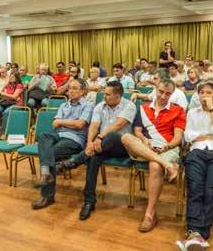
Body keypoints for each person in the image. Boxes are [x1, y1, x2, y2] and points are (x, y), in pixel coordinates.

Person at [56, 81, 137, 220]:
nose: (103, 96)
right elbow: (93, 126)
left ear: (117, 96)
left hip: (122, 147)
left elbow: (118, 125)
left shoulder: (129, 105)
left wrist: (99, 137)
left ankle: (76, 161)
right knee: (93, 159)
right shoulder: (100, 106)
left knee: (112, 136)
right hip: (100, 147)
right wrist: (89, 143)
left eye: (107, 94)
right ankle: (89, 201)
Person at [121, 78, 186, 232]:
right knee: (125, 137)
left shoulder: (178, 110)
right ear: (156, 89)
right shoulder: (143, 108)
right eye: (161, 92)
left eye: (167, 94)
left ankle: (149, 214)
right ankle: (168, 166)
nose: (163, 96)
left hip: (167, 148)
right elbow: (137, 131)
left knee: (154, 165)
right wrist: (144, 140)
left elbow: (177, 138)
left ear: (172, 94)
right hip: (145, 147)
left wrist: (166, 146)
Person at [176, 79, 213, 251]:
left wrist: (212, 112)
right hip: (197, 152)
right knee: (195, 188)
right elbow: (188, 135)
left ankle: (197, 234)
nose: (204, 96)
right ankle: (195, 234)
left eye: (209, 93)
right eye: (202, 93)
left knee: (211, 191)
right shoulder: (192, 112)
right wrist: (209, 134)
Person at [31, 79, 94, 209]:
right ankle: (46, 174)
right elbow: (55, 124)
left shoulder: (88, 105)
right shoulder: (63, 105)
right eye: (69, 88)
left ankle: (47, 195)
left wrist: (62, 122)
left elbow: (80, 124)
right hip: (59, 135)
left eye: (75, 88)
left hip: (75, 139)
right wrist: (67, 122)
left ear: (82, 91)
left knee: (49, 154)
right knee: (44, 136)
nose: (71, 91)